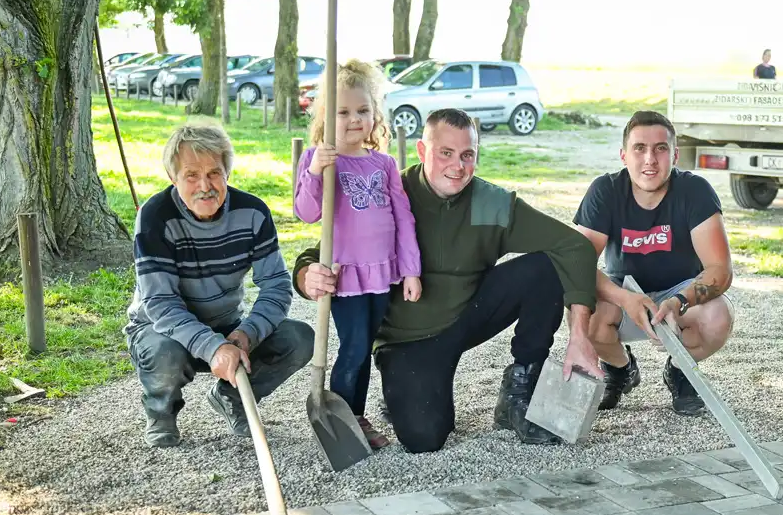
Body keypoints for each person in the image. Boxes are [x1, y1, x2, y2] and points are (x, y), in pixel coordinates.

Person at [293, 108, 602, 453]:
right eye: (446, 153)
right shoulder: (391, 193)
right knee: (424, 437)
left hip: (470, 313)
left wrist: (579, 335)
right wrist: (308, 276)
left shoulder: (491, 202)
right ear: (423, 152)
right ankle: (399, 392)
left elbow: (575, 247)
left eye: (468, 155)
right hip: (407, 340)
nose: (458, 166)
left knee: (544, 267)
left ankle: (520, 392)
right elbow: (319, 253)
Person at [125, 123, 314, 447]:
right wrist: (213, 347)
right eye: (191, 175)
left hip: (227, 324)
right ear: (173, 177)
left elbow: (276, 285)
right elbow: (161, 304)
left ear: (227, 172)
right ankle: (161, 411)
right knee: (163, 352)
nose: (204, 186)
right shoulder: (155, 217)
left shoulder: (253, 212)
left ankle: (231, 395)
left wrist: (244, 334)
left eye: (214, 173)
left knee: (298, 339)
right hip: (162, 328)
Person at [573, 110, 735, 416]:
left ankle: (680, 370)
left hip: (679, 296)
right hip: (625, 295)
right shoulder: (605, 190)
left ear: (674, 156)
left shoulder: (695, 191)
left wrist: (678, 302)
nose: (650, 159)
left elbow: (720, 270)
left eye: (661, 149)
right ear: (623, 155)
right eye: (640, 148)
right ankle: (620, 369)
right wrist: (625, 298)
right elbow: (576, 265)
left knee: (718, 315)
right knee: (579, 308)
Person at [294, 59, 421, 449]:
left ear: (375, 114)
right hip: (346, 274)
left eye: (363, 111)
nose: (355, 120)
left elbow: (404, 219)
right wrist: (315, 170)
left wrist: (411, 270)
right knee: (353, 346)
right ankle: (344, 417)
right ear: (325, 117)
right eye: (344, 112)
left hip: (382, 273)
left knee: (365, 345)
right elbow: (306, 211)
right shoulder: (320, 160)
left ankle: (357, 414)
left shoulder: (383, 163)